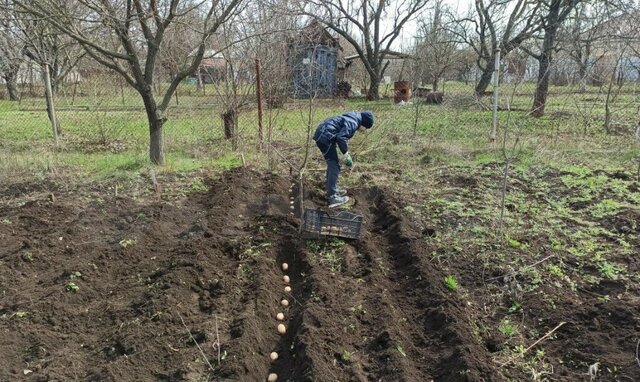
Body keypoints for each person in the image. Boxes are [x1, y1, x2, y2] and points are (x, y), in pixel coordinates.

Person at [312, 111, 374, 208]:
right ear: (364, 123)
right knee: (334, 165)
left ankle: (332, 190)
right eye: (366, 128)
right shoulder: (353, 123)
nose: (364, 130)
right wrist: (346, 154)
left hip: (323, 134)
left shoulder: (351, 118)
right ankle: (332, 197)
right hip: (325, 136)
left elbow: (338, 134)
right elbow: (341, 138)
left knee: (333, 164)